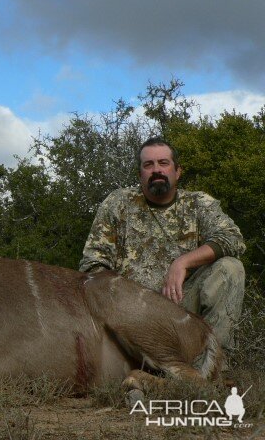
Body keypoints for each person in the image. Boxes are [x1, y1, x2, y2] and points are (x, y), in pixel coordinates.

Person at [79, 137, 245, 352]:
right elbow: (93, 265)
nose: (156, 170)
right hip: (129, 314)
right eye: (148, 165)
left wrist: (182, 263)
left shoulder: (198, 203)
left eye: (163, 163)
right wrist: (127, 301)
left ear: (177, 172)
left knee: (230, 268)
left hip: (181, 311)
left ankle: (214, 365)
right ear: (140, 175)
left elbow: (232, 238)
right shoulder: (117, 203)